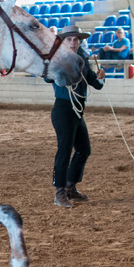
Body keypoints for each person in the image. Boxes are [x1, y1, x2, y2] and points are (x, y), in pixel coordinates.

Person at [44, 25, 105, 209]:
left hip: (77, 111)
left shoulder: (83, 60)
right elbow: (48, 77)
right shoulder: (57, 60)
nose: (73, 42)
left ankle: (70, 186)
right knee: (64, 151)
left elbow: (97, 84)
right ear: (64, 42)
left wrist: (101, 77)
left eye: (76, 39)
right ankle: (60, 192)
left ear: (80, 42)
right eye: (69, 39)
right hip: (63, 110)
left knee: (83, 149)